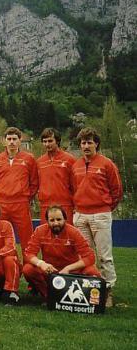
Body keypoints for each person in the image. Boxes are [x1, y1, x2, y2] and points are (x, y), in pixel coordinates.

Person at [72, 127, 122, 307]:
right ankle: (88, 288)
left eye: (89, 142)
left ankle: (108, 289)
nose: (86, 146)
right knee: (84, 255)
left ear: (96, 144)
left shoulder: (107, 164)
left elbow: (116, 190)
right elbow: (73, 189)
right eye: (83, 143)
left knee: (104, 256)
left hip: (100, 215)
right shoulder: (75, 165)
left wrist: (105, 207)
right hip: (80, 215)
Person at [23, 205, 101, 300]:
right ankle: (48, 296)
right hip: (50, 270)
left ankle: (91, 298)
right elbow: (28, 253)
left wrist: (68, 268)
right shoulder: (40, 231)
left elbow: (90, 257)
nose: (56, 223)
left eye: (59, 219)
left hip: (71, 272)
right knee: (28, 269)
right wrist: (41, 264)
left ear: (65, 219)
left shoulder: (74, 232)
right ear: (47, 221)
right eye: (52, 220)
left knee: (92, 271)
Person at [0, 127, 38, 257]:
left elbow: (34, 182)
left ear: (20, 140)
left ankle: (29, 268)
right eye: (9, 139)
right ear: (4, 141)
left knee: (26, 238)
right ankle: (6, 266)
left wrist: (26, 197)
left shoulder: (29, 159)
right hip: (2, 203)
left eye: (14, 139)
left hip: (21, 203)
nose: (11, 142)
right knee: (1, 237)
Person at [37, 128, 76, 224]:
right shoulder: (39, 162)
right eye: (44, 141)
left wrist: (76, 205)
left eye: (50, 141)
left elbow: (76, 185)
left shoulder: (69, 160)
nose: (47, 144)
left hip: (65, 205)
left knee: (67, 236)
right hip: (45, 206)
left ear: (57, 141)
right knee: (46, 236)